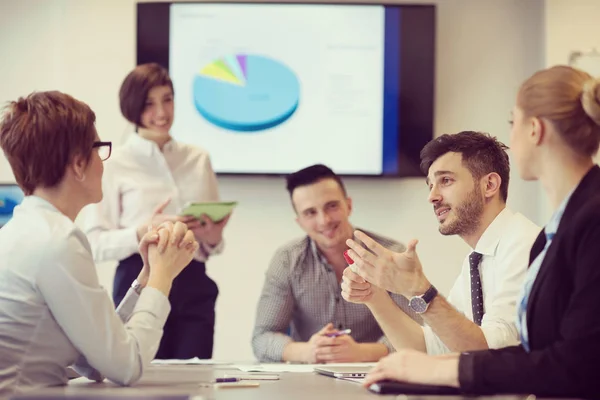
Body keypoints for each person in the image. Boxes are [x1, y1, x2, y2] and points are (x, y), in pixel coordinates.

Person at [360, 66, 600, 399]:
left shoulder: (586, 222)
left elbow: (575, 365)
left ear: (535, 129)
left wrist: (420, 292)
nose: (431, 196)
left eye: (512, 122)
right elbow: (445, 348)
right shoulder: (554, 232)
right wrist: (378, 293)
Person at [0, 91, 198, 395]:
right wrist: (163, 276)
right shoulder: (58, 242)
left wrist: (146, 279)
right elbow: (127, 366)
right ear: (79, 165)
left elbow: (94, 360)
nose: (103, 164)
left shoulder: (27, 230)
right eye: (99, 149)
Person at [342, 131, 540, 354]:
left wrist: (419, 289)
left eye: (445, 180)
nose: (432, 197)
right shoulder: (477, 260)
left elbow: (491, 353)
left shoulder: (526, 246)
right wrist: (375, 297)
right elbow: (430, 349)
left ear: (490, 184)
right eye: (430, 185)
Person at [82, 63, 229, 359]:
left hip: (194, 284)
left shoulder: (198, 158)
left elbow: (212, 243)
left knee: (194, 382)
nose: (162, 113)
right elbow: (93, 242)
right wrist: (141, 230)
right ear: (131, 107)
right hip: (139, 280)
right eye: (149, 104)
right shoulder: (113, 163)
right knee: (140, 377)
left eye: (168, 99)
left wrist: (213, 237)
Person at [251, 164, 421, 363]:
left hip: (379, 373)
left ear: (348, 205)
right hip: (310, 381)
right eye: (310, 213)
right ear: (299, 222)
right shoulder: (287, 260)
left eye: (331, 206)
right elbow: (262, 338)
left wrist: (362, 352)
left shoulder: (390, 253)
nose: (324, 221)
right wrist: (307, 351)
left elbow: (416, 336)